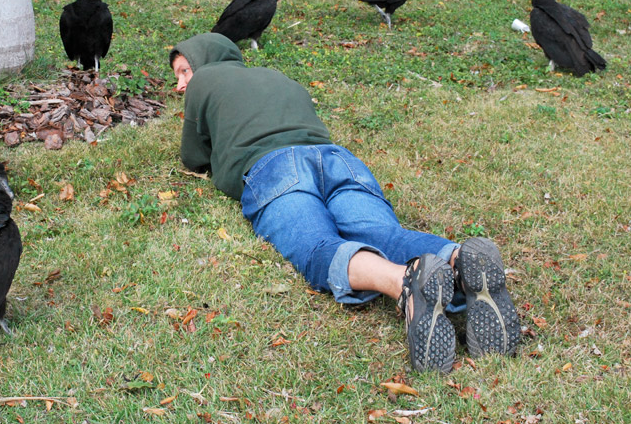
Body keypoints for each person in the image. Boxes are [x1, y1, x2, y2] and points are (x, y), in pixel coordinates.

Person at [169, 33, 520, 372]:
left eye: (184, 70)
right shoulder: (278, 77)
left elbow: (192, 156)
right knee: (383, 233)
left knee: (317, 246)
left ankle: (403, 282)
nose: (181, 84)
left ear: (206, 58)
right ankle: (460, 257)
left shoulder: (206, 81)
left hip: (274, 168)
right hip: (338, 160)